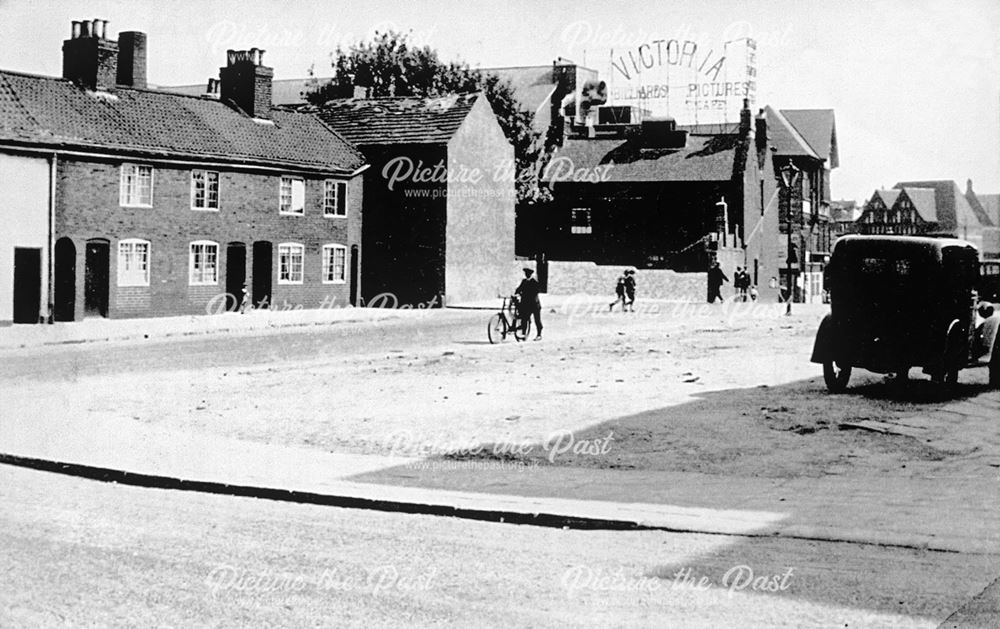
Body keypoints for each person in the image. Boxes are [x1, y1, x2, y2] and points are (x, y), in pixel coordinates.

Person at [515, 267, 543, 340]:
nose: (527, 275)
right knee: (524, 318)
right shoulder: (524, 281)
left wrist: (524, 294)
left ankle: (539, 334)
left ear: (530, 274)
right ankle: (524, 334)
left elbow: (535, 292)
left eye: (528, 274)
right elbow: (519, 288)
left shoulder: (534, 282)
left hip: (534, 304)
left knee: (537, 319)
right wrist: (516, 292)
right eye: (526, 274)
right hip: (527, 305)